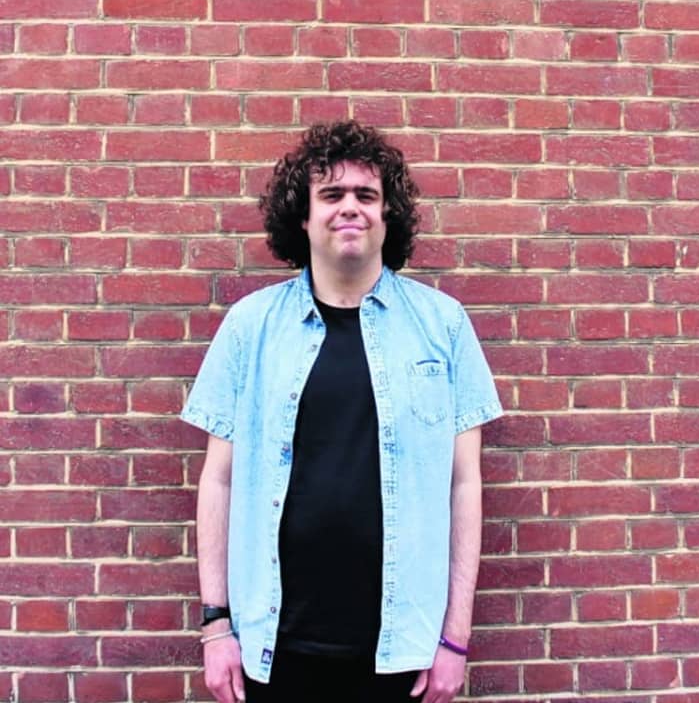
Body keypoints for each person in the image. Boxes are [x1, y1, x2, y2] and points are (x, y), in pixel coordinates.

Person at [181, 120, 503, 703]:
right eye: (331, 194)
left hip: (402, 649)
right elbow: (218, 479)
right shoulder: (250, 327)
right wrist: (216, 625)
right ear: (303, 217)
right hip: (272, 645)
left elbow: (464, 484)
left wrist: (455, 638)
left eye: (366, 195)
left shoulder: (444, 326)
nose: (349, 207)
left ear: (387, 215)